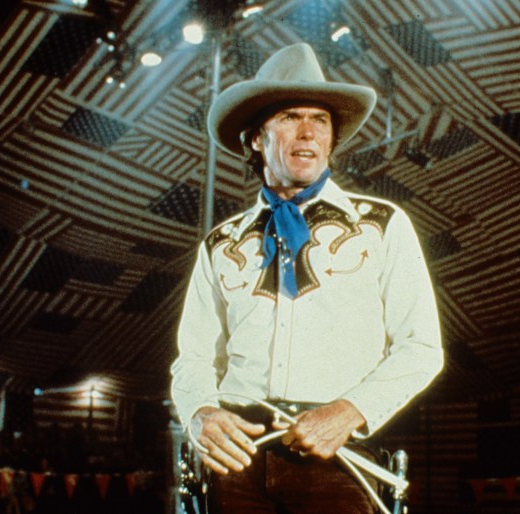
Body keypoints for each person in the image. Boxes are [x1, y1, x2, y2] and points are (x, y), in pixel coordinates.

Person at [170, 42, 444, 513]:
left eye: (319, 120)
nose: (307, 132)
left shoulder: (381, 224)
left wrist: (350, 411)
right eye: (290, 117)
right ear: (256, 138)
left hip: (336, 453)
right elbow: (193, 356)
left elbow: (422, 347)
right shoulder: (220, 243)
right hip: (236, 459)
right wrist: (199, 413)